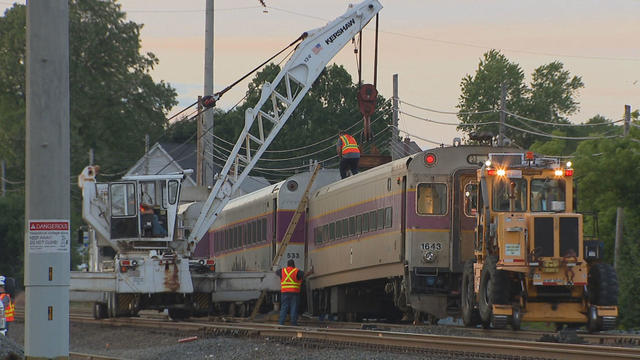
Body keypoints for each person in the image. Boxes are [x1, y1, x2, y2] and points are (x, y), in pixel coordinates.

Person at [275, 260, 312, 326]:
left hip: (285, 292)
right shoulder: (296, 271)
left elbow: (276, 272)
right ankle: (293, 323)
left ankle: (281, 323)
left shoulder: (282, 271)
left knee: (284, 308)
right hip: (294, 293)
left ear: (287, 265)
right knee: (294, 308)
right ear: (294, 264)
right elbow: (304, 275)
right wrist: (311, 272)